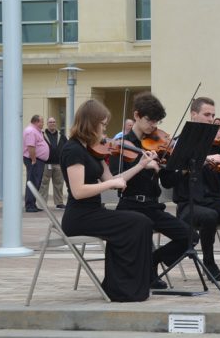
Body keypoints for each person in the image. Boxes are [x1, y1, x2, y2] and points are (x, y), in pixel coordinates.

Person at [60, 99, 157, 302]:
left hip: (94, 212)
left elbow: (113, 181)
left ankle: (128, 286)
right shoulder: (73, 150)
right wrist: (108, 185)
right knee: (135, 223)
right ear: (91, 122)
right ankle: (121, 289)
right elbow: (78, 191)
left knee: (142, 221)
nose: (105, 129)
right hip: (79, 217)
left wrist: (140, 165)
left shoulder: (92, 150)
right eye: (103, 124)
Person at [160, 96, 220, 285]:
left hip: (213, 203)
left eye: (213, 115)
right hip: (188, 207)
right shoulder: (178, 144)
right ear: (193, 115)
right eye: (206, 114)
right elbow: (166, 180)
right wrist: (196, 162)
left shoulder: (218, 147)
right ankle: (209, 262)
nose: (211, 119)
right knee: (209, 215)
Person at [109, 92, 197, 290]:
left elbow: (166, 181)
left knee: (190, 236)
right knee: (142, 229)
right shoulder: (121, 145)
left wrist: (184, 169)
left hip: (152, 206)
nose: (154, 126)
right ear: (137, 116)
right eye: (150, 120)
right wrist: (141, 165)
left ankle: (152, 261)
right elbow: (116, 180)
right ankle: (146, 274)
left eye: (157, 121)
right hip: (130, 205)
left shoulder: (158, 145)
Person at [39, 117, 68, 209]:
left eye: (54, 122)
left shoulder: (61, 135)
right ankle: (42, 204)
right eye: (50, 122)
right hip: (45, 164)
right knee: (43, 185)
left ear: (56, 123)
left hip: (58, 164)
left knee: (59, 184)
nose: (52, 123)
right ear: (47, 124)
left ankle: (59, 203)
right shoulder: (41, 135)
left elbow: (66, 148)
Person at [23, 115, 49, 212]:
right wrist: (33, 160)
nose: (43, 123)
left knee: (36, 183)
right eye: (42, 121)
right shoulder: (31, 131)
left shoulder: (36, 131)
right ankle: (29, 206)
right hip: (34, 160)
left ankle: (32, 204)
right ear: (36, 122)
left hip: (37, 160)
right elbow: (31, 147)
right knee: (33, 182)